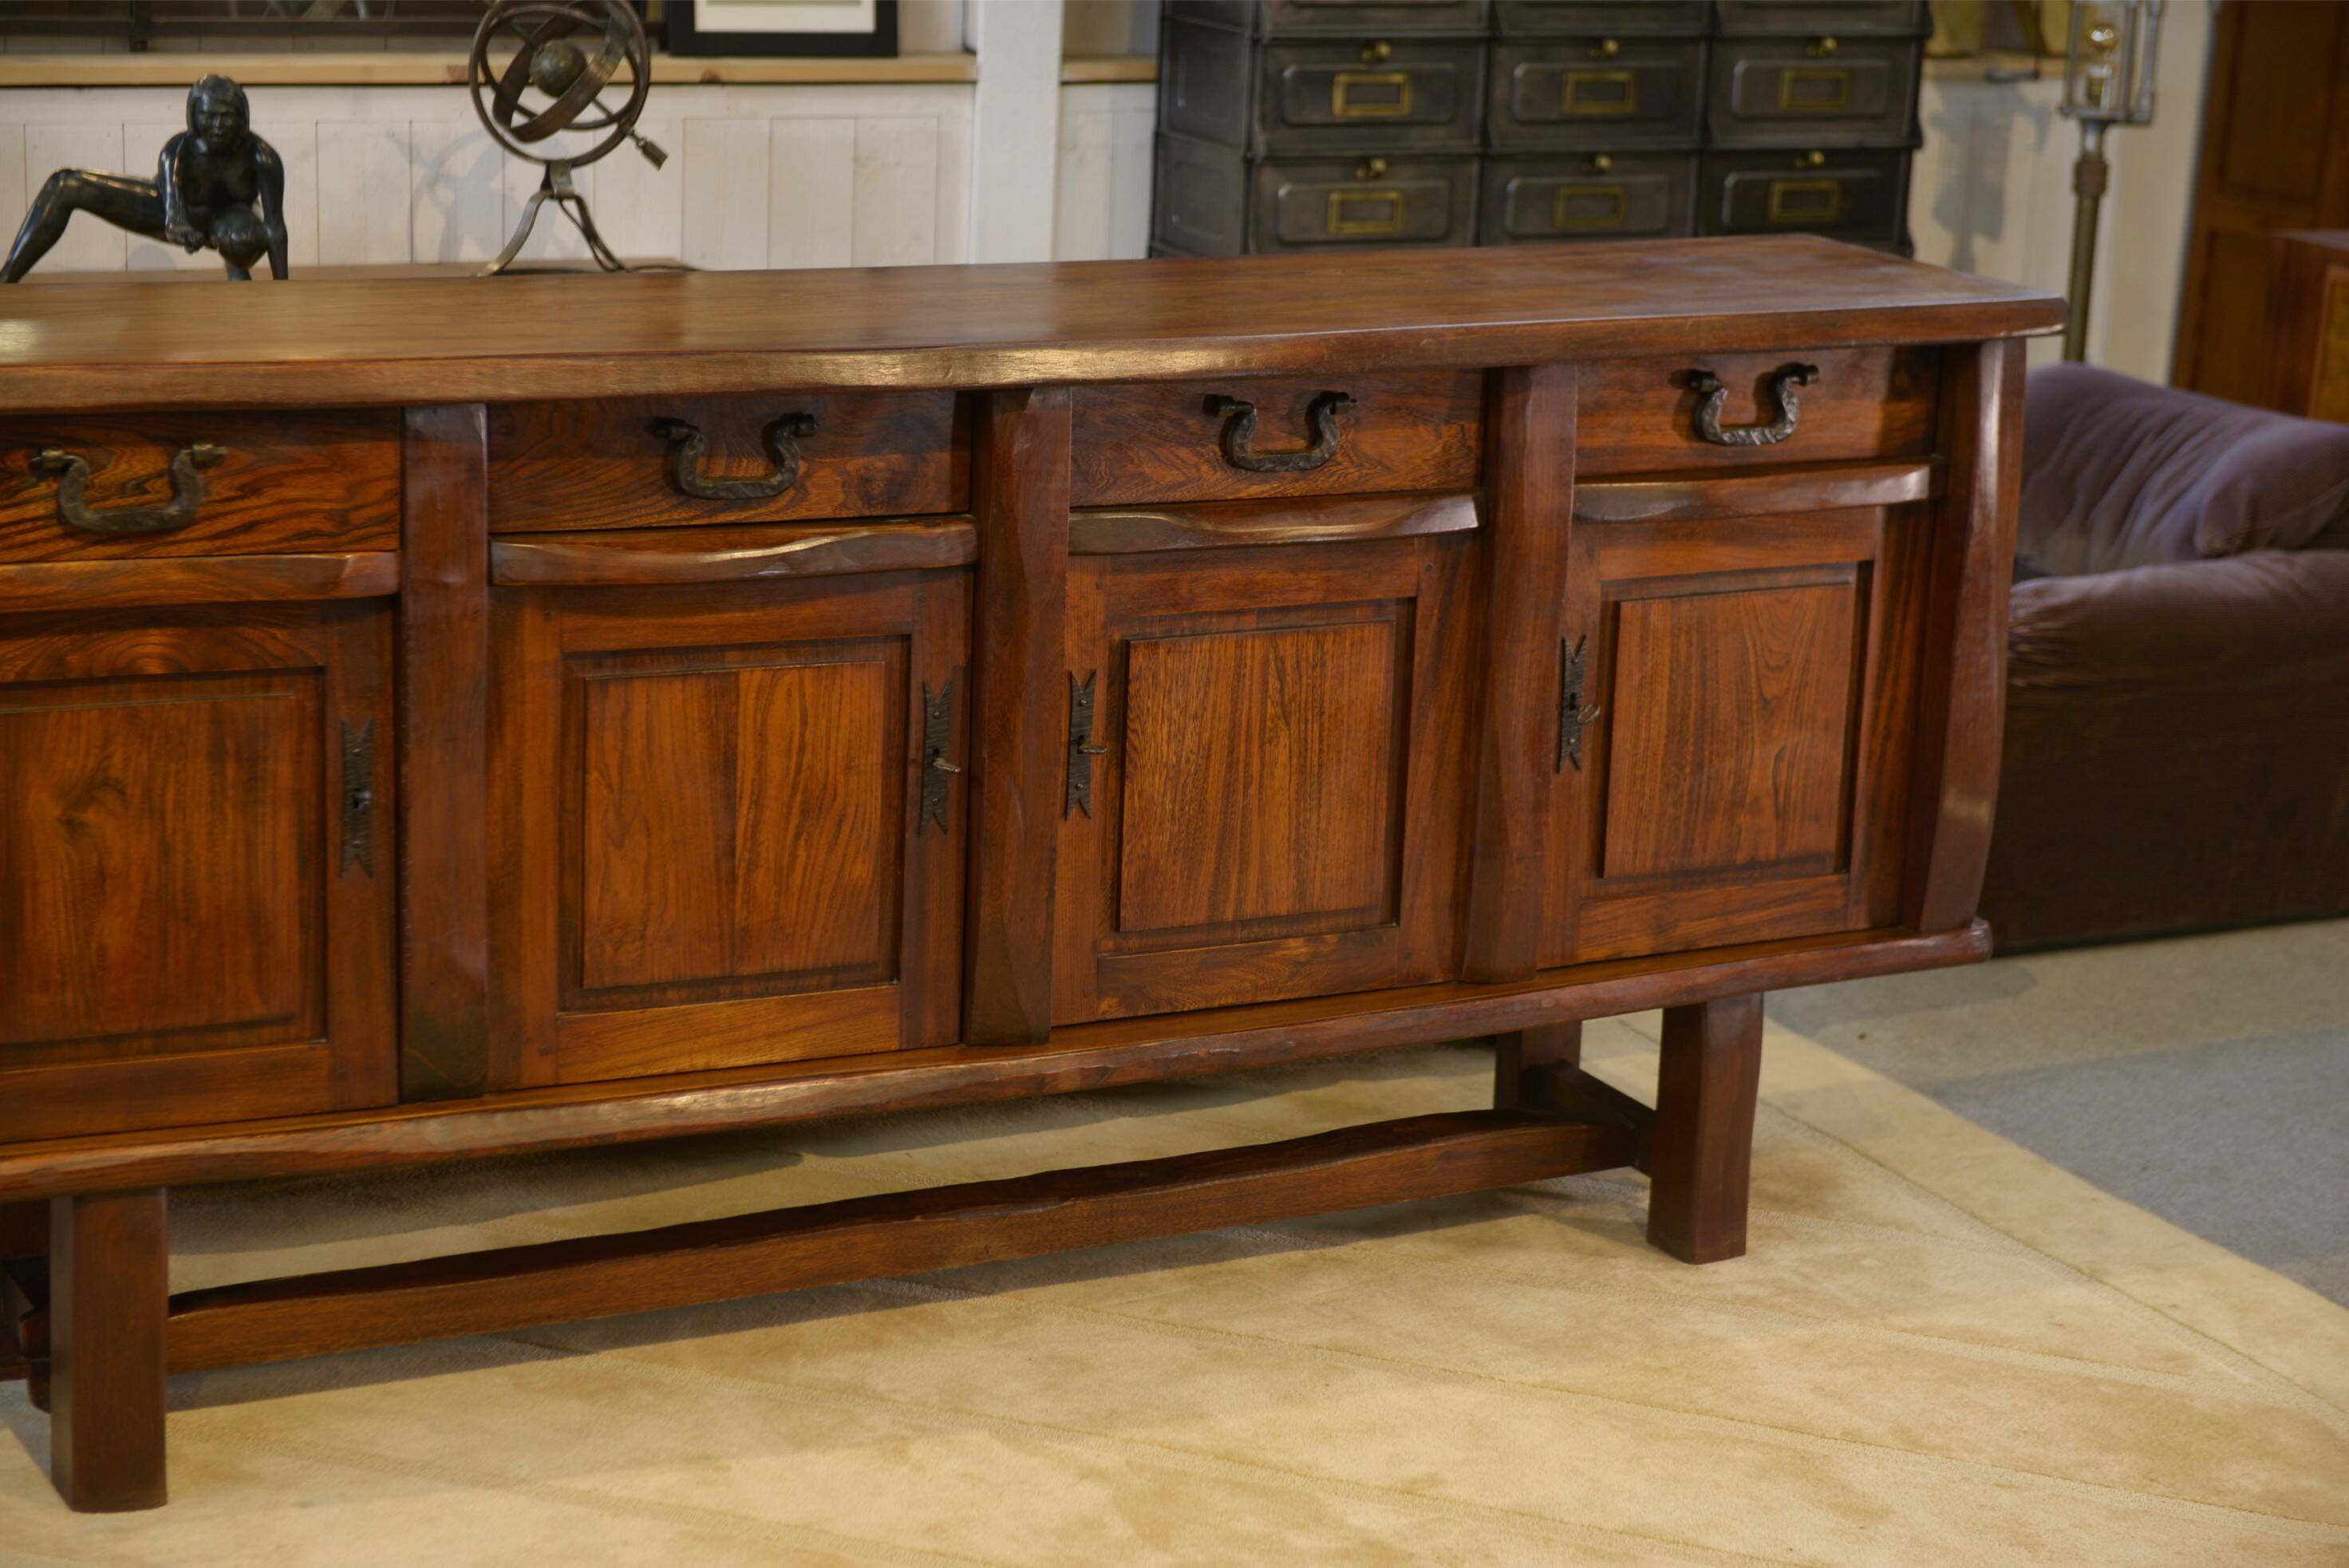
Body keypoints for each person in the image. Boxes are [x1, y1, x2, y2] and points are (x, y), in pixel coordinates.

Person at [2, 74, 286, 282]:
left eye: (227, 117)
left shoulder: (262, 158)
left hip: (229, 221)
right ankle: (7, 281)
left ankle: (239, 275)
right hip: (170, 211)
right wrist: (178, 227)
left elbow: (274, 227)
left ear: (243, 118)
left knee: (244, 238)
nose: (218, 126)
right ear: (194, 116)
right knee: (65, 184)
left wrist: (282, 291)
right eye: (209, 116)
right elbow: (174, 216)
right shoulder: (177, 151)